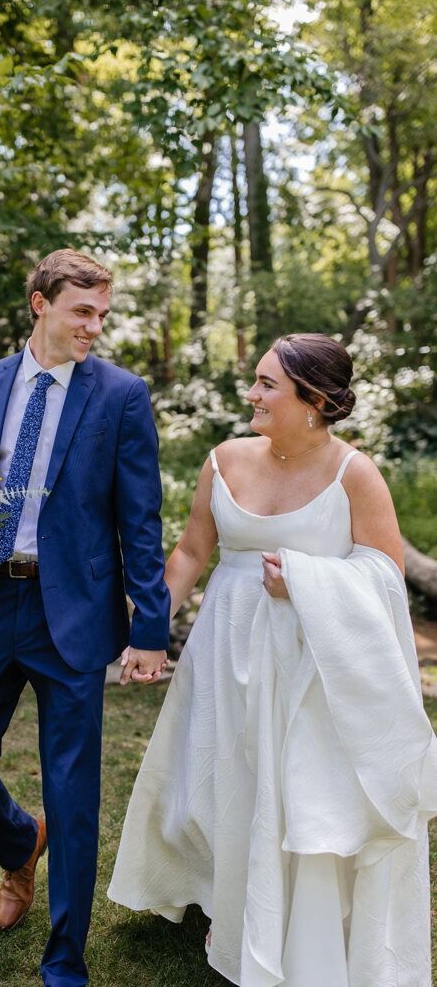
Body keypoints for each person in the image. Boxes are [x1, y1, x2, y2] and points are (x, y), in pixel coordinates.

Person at [109, 333, 437, 986]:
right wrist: (149, 633)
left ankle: (281, 917)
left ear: (313, 401)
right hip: (222, 649)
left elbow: (384, 575)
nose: (251, 394)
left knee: (287, 790)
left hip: (307, 665)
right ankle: (224, 899)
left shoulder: (354, 473)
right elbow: (191, 552)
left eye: (266, 384)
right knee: (218, 778)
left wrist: (307, 580)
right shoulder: (225, 459)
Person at [0, 248, 170, 987]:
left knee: (72, 792)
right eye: (82, 311)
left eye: (102, 314)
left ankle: (65, 959)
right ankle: (19, 844)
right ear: (40, 304)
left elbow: (140, 519)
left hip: (73, 611)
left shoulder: (121, 395)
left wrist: (150, 627)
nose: (94, 326)